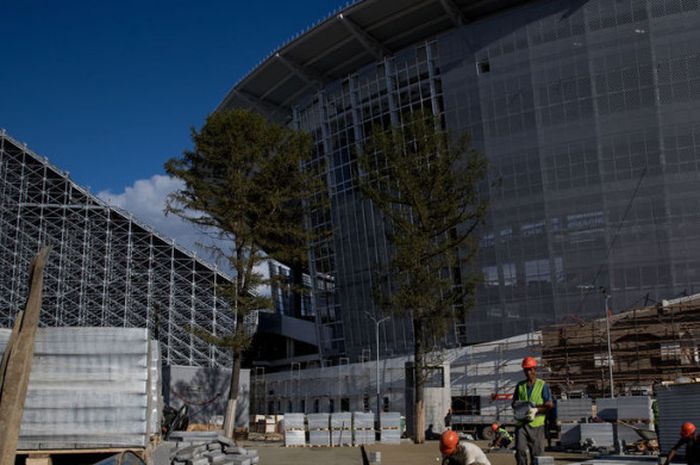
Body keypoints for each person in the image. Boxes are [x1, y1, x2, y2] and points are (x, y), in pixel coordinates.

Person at [512, 356, 553, 465]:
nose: (528, 372)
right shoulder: (520, 386)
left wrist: (536, 410)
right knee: (520, 450)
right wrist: (519, 408)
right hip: (521, 425)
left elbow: (549, 404)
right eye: (526, 370)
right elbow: (514, 403)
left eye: (530, 369)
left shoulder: (542, 385)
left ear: (535, 369)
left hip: (537, 425)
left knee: (537, 453)